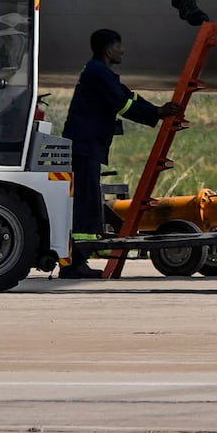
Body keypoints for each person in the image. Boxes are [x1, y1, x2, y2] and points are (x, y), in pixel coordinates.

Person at [58, 29, 176, 279]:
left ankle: (76, 261)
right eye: (119, 46)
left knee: (87, 202)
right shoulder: (97, 73)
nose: (122, 50)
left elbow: (127, 95)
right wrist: (156, 113)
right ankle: (74, 263)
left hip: (88, 147)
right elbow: (123, 104)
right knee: (85, 205)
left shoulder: (99, 73)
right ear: (108, 49)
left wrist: (156, 109)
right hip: (85, 147)